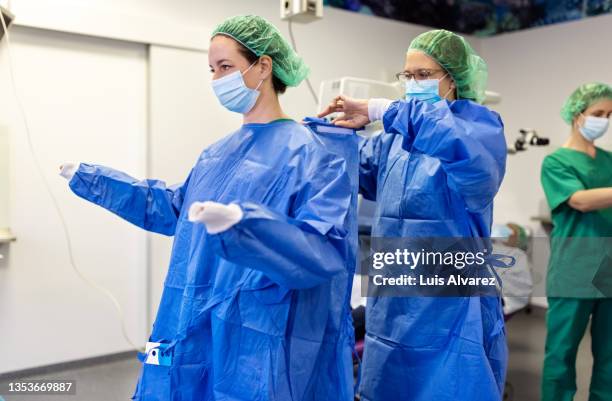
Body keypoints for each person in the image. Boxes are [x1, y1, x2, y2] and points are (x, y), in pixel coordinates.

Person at [60, 15, 357, 401]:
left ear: (263, 66)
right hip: (190, 312)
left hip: (256, 329)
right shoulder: (217, 154)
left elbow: (322, 251)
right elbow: (171, 208)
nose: (217, 79)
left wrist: (247, 226)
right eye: (212, 69)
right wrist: (95, 181)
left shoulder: (312, 156)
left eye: (226, 67)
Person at [319, 29, 508, 401]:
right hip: (393, 298)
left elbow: (464, 155)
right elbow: (360, 171)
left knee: (448, 386)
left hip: (450, 303)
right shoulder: (394, 138)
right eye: (408, 76)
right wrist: (334, 136)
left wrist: (380, 110)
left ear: (453, 79)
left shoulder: (479, 127)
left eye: (424, 75)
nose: (413, 84)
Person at [540, 82, 612, 401]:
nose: (605, 120)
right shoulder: (556, 162)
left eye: (609, 114)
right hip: (574, 271)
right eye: (598, 113)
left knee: (610, 359)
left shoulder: (609, 160)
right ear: (576, 114)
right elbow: (580, 200)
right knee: (561, 357)